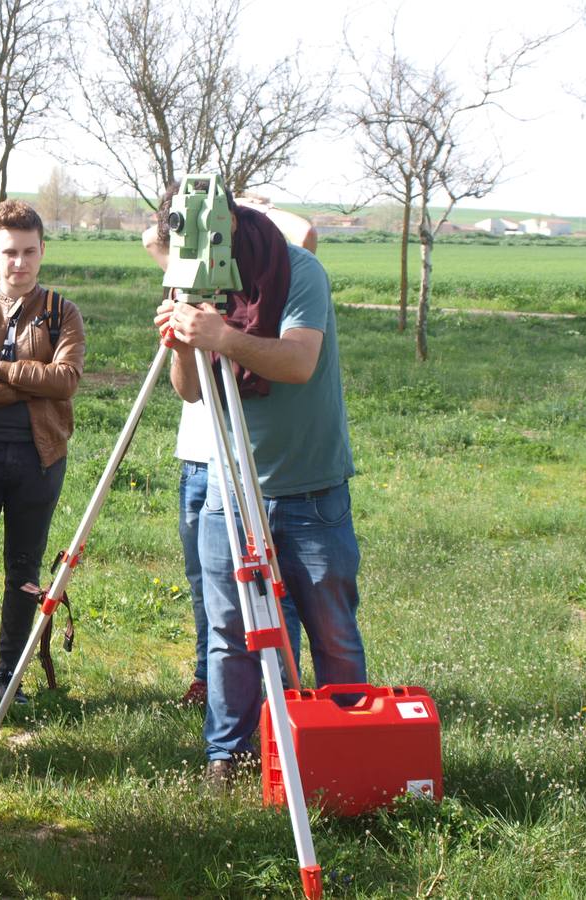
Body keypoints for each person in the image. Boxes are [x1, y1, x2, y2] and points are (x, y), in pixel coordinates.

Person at [151, 189, 367, 783]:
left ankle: (348, 740)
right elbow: (190, 390)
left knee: (331, 625)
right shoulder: (193, 282)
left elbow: (297, 363)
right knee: (228, 628)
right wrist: (181, 342)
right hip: (230, 482)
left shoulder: (300, 272)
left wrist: (222, 336)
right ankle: (228, 754)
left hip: (308, 486)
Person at [142, 190, 318, 708]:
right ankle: (211, 677)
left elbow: (304, 231)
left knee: (266, 587)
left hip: (248, 460)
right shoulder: (184, 273)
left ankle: (282, 695)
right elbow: (153, 236)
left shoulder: (276, 273)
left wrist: (241, 205)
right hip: (201, 456)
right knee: (211, 589)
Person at [0, 199, 86, 713]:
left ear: (43, 250)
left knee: (23, 569)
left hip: (39, 458)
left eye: (29, 252)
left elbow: (65, 381)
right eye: (10, 252)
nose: (19, 263)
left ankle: (11, 674)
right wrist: (32, 381)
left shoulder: (61, 311)